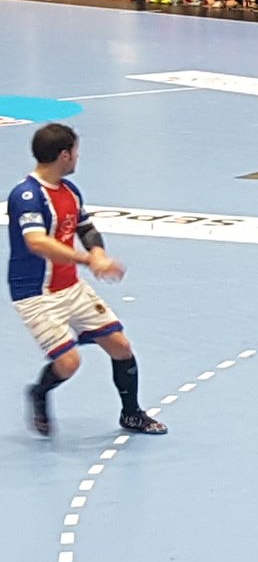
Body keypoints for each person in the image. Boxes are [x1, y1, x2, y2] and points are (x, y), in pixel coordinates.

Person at [10, 124, 168, 438]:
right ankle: (39, 392)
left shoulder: (69, 191)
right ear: (64, 155)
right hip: (36, 294)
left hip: (71, 287)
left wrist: (97, 252)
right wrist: (86, 260)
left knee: (120, 346)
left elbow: (85, 228)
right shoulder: (27, 196)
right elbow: (37, 242)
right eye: (75, 151)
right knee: (69, 363)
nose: (78, 157)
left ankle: (131, 413)